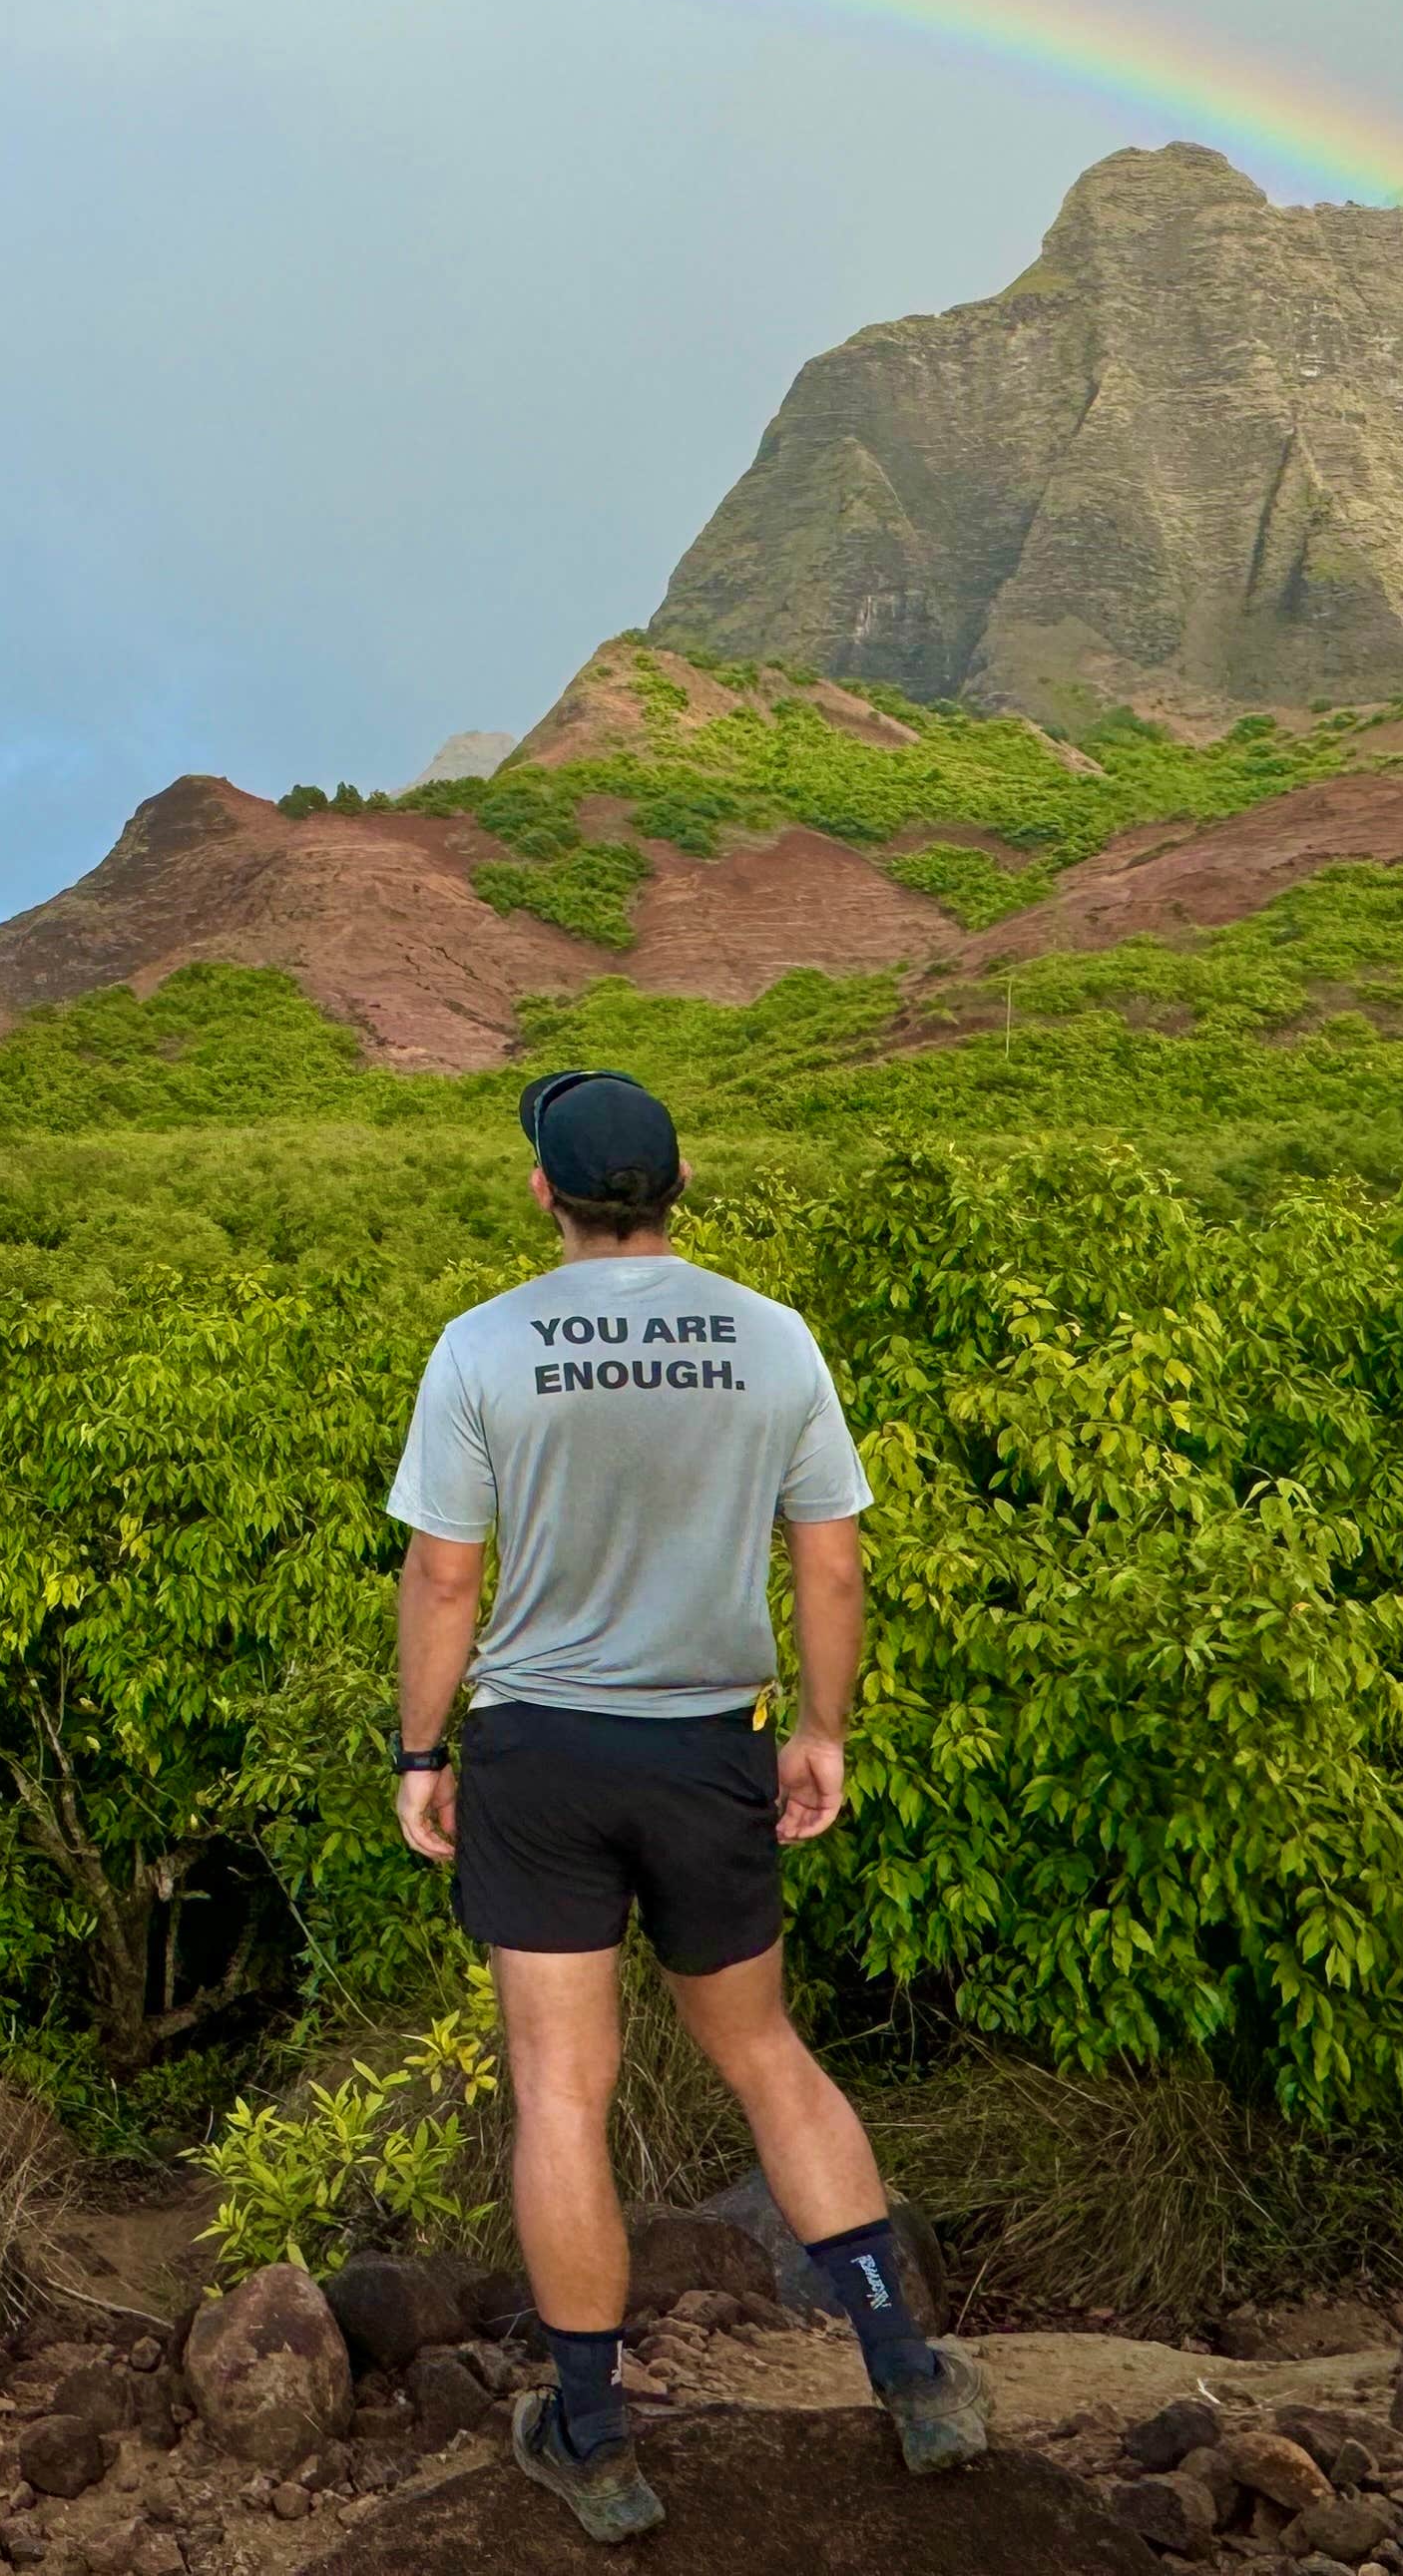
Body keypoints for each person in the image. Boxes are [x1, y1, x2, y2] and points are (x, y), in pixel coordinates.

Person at [383, 1069, 984, 2544]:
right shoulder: (775, 1341)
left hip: (541, 1759)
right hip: (711, 1747)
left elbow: (446, 1578)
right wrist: (826, 1731)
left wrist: (417, 1755)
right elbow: (830, 1561)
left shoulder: (479, 1347)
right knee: (769, 2055)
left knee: (563, 2094)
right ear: (679, 1182)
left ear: (544, 1189)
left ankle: (591, 2435)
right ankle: (909, 2375)